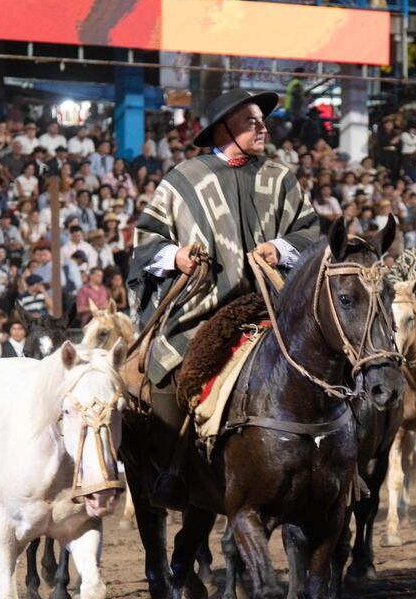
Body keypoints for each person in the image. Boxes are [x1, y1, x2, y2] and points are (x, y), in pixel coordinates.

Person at [128, 87, 320, 507]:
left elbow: (310, 232)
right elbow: (146, 242)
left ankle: (340, 467)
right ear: (223, 129)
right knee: (167, 373)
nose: (262, 127)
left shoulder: (280, 177)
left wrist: (281, 248)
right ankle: (173, 470)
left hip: (274, 308)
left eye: (263, 121)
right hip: (201, 311)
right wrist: (176, 255)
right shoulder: (183, 180)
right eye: (252, 121)